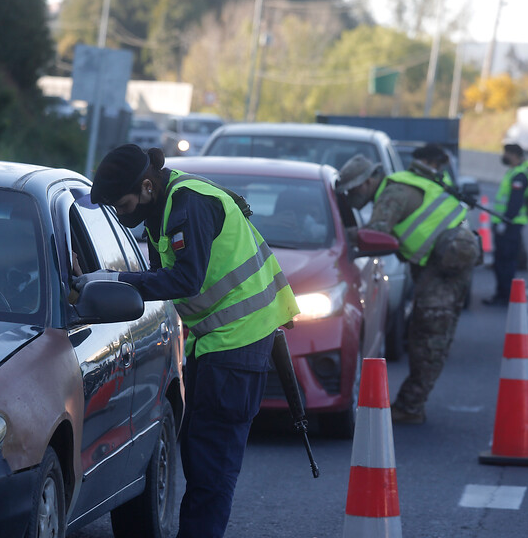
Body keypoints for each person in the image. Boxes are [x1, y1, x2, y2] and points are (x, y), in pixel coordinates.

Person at [74, 144, 299, 538]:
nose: (122, 215)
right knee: (200, 459)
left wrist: (115, 281)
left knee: (210, 470)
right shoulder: (168, 203)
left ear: (146, 186)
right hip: (220, 344)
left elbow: (185, 280)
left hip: (236, 344)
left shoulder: (187, 205)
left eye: (123, 205)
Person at [338, 145, 480, 425]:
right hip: (439, 266)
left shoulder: (391, 194)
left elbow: (375, 232)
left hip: (444, 271)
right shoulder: (398, 185)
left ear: (367, 182)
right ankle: (411, 404)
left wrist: (336, 235)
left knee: (429, 338)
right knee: (423, 334)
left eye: (354, 191)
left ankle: (411, 407)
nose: (353, 199)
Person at [483, 143, 528, 306]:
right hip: (508, 224)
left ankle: (505, 296)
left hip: (510, 225)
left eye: (506, 154)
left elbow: (515, 202)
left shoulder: (519, 175)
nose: (504, 156)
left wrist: (505, 222)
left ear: (514, 155)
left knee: (505, 262)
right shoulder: (514, 172)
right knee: (502, 260)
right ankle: (502, 294)